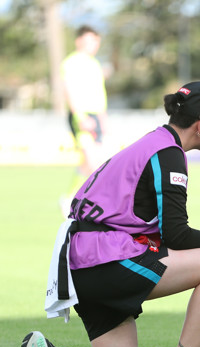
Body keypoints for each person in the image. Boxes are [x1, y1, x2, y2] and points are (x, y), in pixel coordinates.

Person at [21, 81, 200, 347]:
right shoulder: (169, 154)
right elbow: (177, 234)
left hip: (83, 262)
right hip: (104, 259)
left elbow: (156, 229)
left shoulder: (153, 142)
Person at [60, 25, 109, 217]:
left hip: (96, 116)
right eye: (90, 41)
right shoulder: (71, 62)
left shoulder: (95, 64)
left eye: (96, 41)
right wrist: (80, 117)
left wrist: (103, 119)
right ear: (79, 41)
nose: (93, 45)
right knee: (92, 160)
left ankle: (70, 198)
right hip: (82, 115)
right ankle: (79, 202)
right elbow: (69, 91)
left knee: (91, 162)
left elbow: (100, 94)